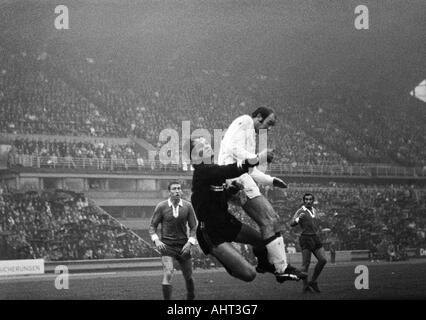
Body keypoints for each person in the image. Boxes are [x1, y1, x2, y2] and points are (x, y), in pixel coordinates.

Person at [190, 136, 305, 283]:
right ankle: (229, 262)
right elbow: (234, 169)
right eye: (201, 145)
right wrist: (259, 158)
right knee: (249, 275)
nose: (206, 145)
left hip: (226, 222)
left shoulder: (212, 170)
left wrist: (231, 190)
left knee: (263, 242)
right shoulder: (203, 170)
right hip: (211, 232)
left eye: (206, 142)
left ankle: (264, 265)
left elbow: (214, 198)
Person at [218, 107, 291, 279]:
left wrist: (271, 180)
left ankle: (272, 265)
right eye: (269, 123)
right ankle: (281, 268)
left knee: (271, 220)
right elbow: (233, 148)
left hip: (239, 177)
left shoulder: (250, 133)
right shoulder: (245, 121)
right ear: (259, 117)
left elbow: (250, 168)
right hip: (236, 177)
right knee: (269, 219)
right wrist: (259, 156)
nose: (269, 128)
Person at [149, 181, 197, 300]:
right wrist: (157, 241)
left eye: (179, 189)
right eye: (174, 189)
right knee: (168, 272)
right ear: (169, 192)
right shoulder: (161, 206)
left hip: (183, 245)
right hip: (167, 245)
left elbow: (193, 227)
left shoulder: (188, 206)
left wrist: (190, 243)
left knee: (189, 277)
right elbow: (152, 226)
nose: (177, 191)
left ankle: (190, 297)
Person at [290, 193, 327, 293]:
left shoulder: (314, 210)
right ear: (303, 200)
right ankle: (305, 286)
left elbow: (314, 223)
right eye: (306, 199)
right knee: (306, 264)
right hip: (305, 238)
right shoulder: (301, 210)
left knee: (323, 260)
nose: (308, 201)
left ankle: (313, 281)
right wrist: (297, 219)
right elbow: (291, 223)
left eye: (310, 199)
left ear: (313, 200)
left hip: (315, 237)